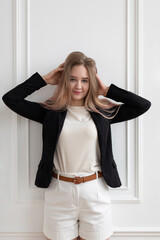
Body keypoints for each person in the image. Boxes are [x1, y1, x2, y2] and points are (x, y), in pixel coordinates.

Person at [2, 51, 151, 240]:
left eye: (85, 80)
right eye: (72, 79)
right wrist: (45, 79)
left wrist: (106, 90)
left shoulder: (103, 111)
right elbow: (10, 99)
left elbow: (143, 105)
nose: (78, 86)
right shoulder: (50, 111)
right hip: (59, 192)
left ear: (92, 82)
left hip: (95, 192)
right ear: (64, 80)